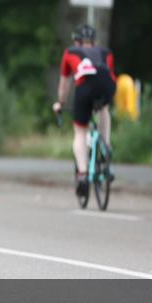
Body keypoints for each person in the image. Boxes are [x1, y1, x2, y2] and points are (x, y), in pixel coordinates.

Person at [52, 24, 116, 198]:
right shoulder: (106, 52)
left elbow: (64, 83)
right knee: (103, 109)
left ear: (76, 41)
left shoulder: (70, 52)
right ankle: (106, 144)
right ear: (93, 41)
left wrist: (61, 102)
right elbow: (109, 74)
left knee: (80, 133)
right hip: (107, 86)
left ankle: (82, 174)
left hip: (85, 86)